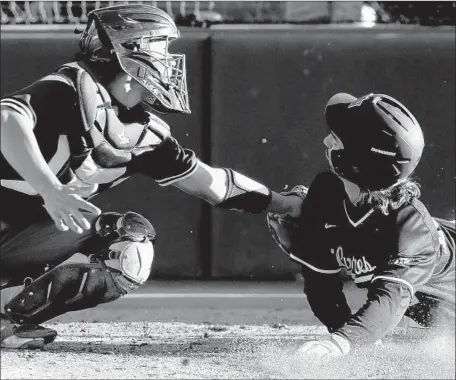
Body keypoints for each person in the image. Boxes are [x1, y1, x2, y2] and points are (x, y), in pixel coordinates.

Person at [0, 4, 302, 349]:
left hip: (15, 240)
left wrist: (286, 204)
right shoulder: (71, 86)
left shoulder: (146, 135)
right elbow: (7, 119)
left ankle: (7, 321)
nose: (169, 60)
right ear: (130, 48)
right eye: (162, 47)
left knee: (129, 244)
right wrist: (50, 189)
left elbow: (212, 184)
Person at [267, 92, 455, 357]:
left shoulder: (410, 226)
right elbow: (321, 285)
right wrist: (344, 330)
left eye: (336, 138)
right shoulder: (328, 193)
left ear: (354, 161)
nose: (326, 140)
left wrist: (342, 342)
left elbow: (390, 299)